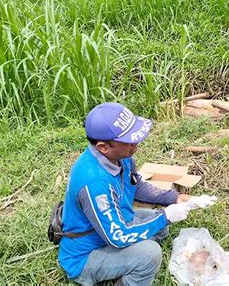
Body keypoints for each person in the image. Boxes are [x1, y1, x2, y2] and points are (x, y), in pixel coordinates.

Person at [58, 102, 216, 285]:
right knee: (150, 254)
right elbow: (117, 237)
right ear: (103, 147)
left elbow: (136, 185)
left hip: (111, 225)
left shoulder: (119, 157)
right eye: (128, 141)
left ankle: (127, 264)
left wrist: (174, 198)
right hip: (86, 255)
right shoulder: (94, 182)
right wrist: (165, 216)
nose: (136, 143)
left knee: (159, 226)